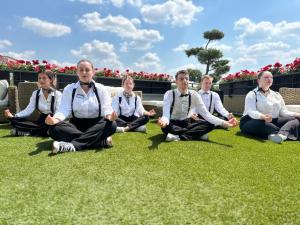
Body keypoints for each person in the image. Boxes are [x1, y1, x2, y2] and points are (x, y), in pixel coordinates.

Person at [45, 59, 117, 154]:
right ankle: (99, 142)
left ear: (93, 72)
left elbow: (106, 108)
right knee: (53, 129)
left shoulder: (101, 89)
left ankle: (72, 146)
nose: (84, 72)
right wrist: (55, 119)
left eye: (87, 70)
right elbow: (64, 109)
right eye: (81, 70)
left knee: (112, 124)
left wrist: (110, 116)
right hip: (76, 126)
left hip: (96, 125)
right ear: (77, 72)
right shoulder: (69, 89)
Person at [157, 70, 238, 142]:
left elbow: (207, 115)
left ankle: (178, 137)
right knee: (166, 127)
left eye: (186, 79)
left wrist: (225, 123)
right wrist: (164, 122)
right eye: (181, 79)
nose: (185, 81)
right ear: (176, 81)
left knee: (210, 124)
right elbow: (166, 114)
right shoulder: (169, 94)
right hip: (173, 123)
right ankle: (196, 134)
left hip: (187, 122)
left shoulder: (194, 94)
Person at [240, 70, 300, 143]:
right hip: (252, 121)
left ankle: (281, 134)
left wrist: (297, 114)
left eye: (271, 77)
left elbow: (283, 112)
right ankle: (287, 131)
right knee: (262, 124)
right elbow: (251, 111)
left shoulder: (277, 95)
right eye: (266, 77)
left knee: (294, 119)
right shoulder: (252, 94)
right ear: (258, 80)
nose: (269, 79)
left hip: (273, 121)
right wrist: (262, 116)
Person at [4, 71, 62, 137]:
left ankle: (25, 132)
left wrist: (53, 120)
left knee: (53, 128)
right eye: (39, 78)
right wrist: (15, 116)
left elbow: (58, 111)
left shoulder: (57, 94)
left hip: (53, 119)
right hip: (41, 121)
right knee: (14, 121)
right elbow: (29, 110)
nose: (41, 80)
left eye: (44, 78)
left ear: (51, 80)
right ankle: (39, 131)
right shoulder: (35, 93)